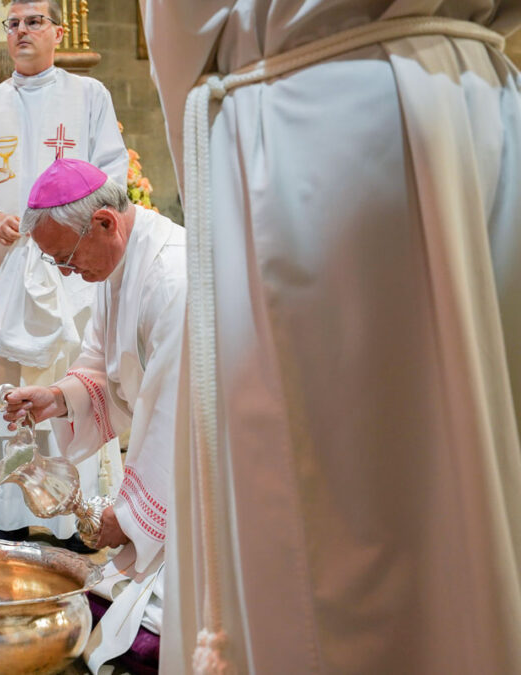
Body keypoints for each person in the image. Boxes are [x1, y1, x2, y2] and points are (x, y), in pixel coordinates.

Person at [137, 1, 521, 672]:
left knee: (339, 576)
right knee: (474, 516)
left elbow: (184, 23)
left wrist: (205, 162)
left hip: (308, 121)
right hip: (483, 105)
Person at [0, 0, 128, 546]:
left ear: (57, 31)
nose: (22, 32)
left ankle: (71, 513)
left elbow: (111, 172)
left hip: (70, 266)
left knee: (68, 371)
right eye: (14, 23)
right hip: (3, 268)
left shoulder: (88, 96)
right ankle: (1, 507)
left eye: (34, 22)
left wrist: (72, 230)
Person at [0, 159, 185, 674]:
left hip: (210, 478)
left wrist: (124, 520)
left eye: (65, 258)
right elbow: (105, 367)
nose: (66, 272)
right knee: (106, 600)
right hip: (179, 470)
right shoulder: (115, 264)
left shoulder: (172, 277)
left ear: (104, 222)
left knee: (162, 625)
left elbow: (178, 419)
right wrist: (57, 397)